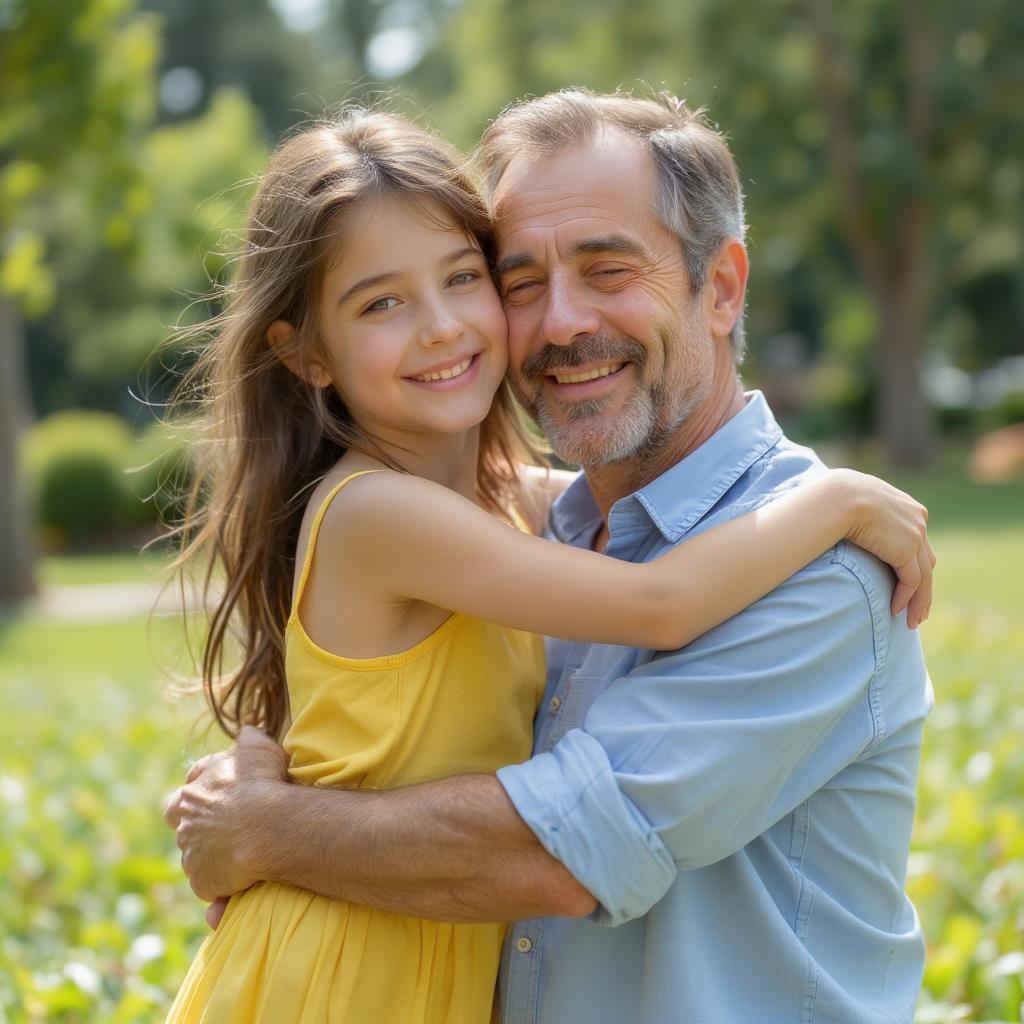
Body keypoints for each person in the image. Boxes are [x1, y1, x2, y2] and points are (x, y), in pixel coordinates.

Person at [164, 92, 935, 1024]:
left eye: (608, 269)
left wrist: (268, 830)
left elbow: (558, 852)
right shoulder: (534, 529)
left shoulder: (827, 568)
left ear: (722, 289)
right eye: (522, 280)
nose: (560, 322)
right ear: (310, 352)